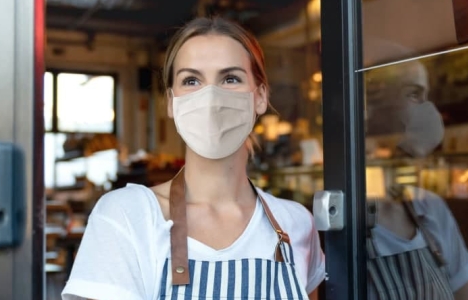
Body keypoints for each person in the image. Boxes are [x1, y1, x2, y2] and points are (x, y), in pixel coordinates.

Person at [61, 17, 326, 300]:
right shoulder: (126, 217)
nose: (211, 97)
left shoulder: (296, 223)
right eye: (191, 80)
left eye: (230, 78)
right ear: (172, 102)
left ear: (260, 97)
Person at [364, 38, 468, 300]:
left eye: (426, 97)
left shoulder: (431, 209)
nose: (428, 111)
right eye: (414, 94)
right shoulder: (341, 218)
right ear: (371, 107)